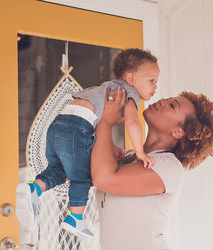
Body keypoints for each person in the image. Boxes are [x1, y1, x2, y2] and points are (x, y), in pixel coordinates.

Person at [15, 48, 159, 239]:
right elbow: (133, 122)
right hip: (77, 128)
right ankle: (75, 217)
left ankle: (35, 188)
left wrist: (113, 147)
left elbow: (99, 124)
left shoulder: (106, 88)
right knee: (82, 175)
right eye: (152, 80)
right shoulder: (128, 92)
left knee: (60, 169)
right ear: (131, 79)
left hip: (58, 125)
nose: (155, 86)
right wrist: (140, 152)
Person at [91, 88, 213, 250]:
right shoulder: (129, 158)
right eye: (167, 98)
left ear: (178, 132)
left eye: (172, 105)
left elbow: (103, 179)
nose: (162, 101)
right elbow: (90, 174)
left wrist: (106, 120)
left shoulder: (169, 167)